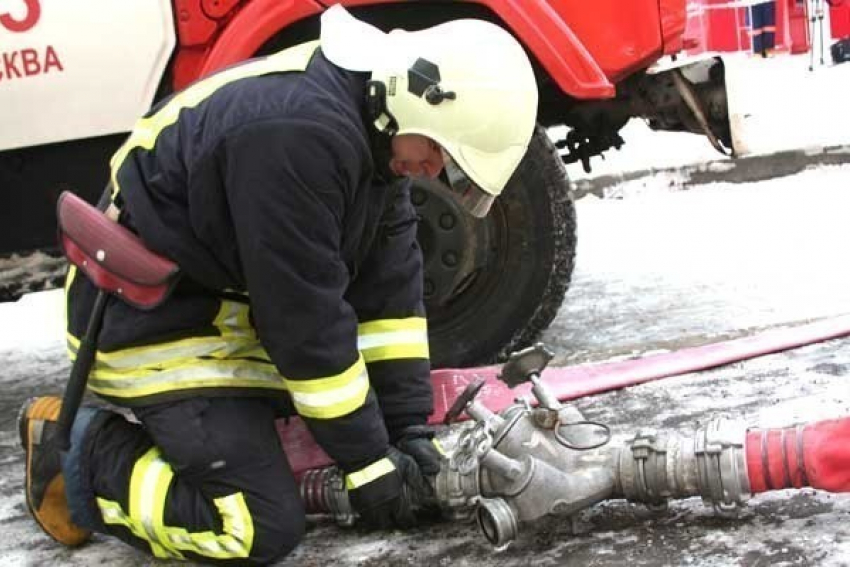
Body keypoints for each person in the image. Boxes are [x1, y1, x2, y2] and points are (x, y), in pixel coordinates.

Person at [19, 5, 538, 565]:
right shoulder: (298, 137)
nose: (435, 170)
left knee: (329, 424)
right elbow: (303, 322)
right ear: (420, 96)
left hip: (222, 309)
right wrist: (367, 462)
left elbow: (389, 296)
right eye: (440, 150)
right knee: (254, 524)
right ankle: (82, 454)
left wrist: (406, 427)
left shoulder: (376, 134)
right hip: (151, 325)